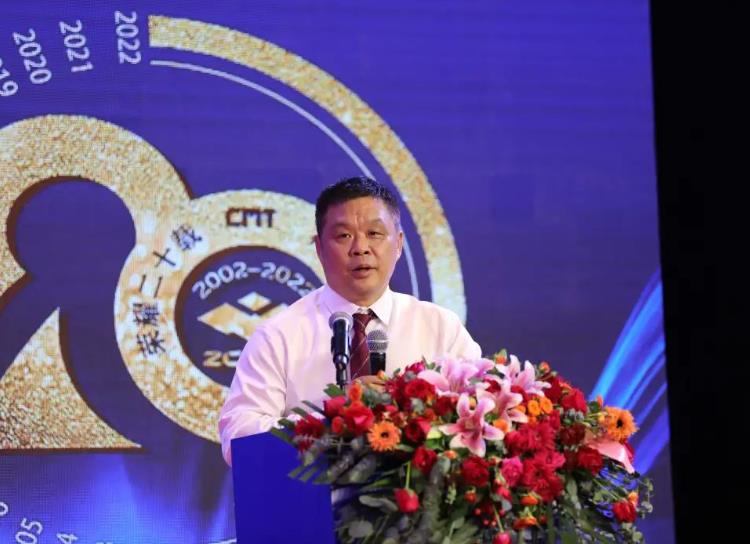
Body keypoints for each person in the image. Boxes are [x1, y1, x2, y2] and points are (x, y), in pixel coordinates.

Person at [218, 176, 481, 465]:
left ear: (399, 244)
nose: (360, 248)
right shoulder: (278, 336)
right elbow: (237, 438)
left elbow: (482, 409)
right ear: (319, 249)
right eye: (344, 236)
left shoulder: (440, 327)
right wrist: (329, 413)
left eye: (374, 233)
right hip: (313, 492)